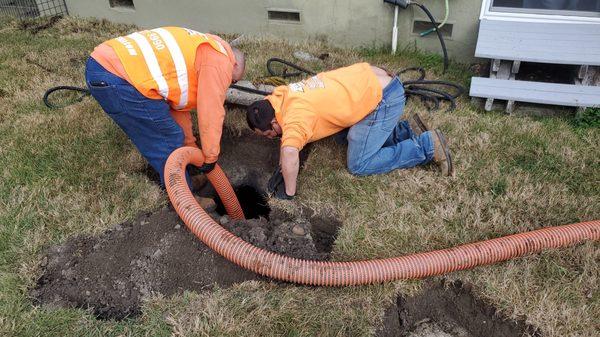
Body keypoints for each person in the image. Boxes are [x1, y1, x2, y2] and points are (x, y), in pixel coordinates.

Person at [246, 63, 452, 200]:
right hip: (371, 77)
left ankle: (427, 147)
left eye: (269, 134)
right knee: (343, 135)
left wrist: (288, 192)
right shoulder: (281, 95)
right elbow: (290, 145)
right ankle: (404, 132)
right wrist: (283, 169)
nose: (273, 138)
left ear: (274, 123)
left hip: (384, 98)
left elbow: (290, 151)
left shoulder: (295, 119)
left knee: (359, 163)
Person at [85, 27, 245, 186]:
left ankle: (186, 179)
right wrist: (211, 157)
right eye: (234, 81)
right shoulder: (221, 62)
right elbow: (211, 112)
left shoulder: (203, 47)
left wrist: (190, 146)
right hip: (118, 78)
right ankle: (185, 202)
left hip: (104, 63)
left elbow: (178, 107)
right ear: (235, 64)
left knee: (173, 135)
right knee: (168, 142)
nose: (228, 84)